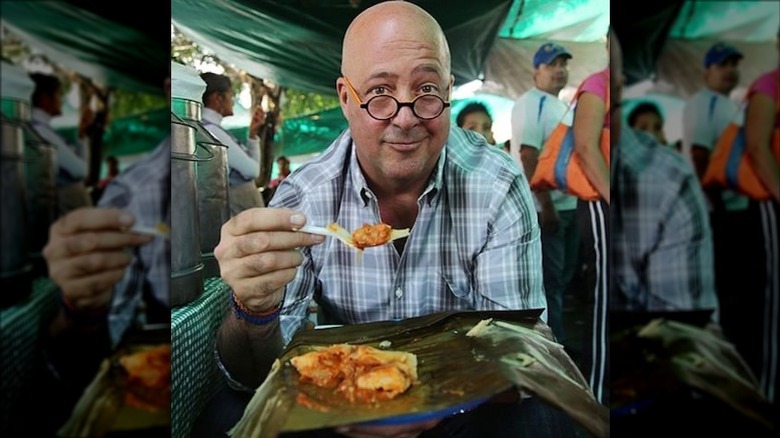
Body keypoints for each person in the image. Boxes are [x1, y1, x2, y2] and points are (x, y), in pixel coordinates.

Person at [207, 2, 569, 437]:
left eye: (427, 89)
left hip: (460, 401)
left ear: (449, 92)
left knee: (543, 418)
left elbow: (519, 350)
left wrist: (422, 401)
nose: (405, 115)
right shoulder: (303, 198)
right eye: (379, 92)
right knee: (228, 414)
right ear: (346, 97)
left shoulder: (496, 183)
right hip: (339, 399)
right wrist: (254, 310)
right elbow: (254, 374)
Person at [29, 78, 172, 435]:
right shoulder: (133, 193)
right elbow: (108, 339)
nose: (62, 100)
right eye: (59, 94)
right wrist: (84, 308)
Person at [681, 42, 767, 369]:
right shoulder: (704, 104)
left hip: (737, 210)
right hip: (720, 213)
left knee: (740, 285)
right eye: (723, 64)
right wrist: (717, 206)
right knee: (729, 287)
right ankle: (730, 356)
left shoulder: (728, 105)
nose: (730, 69)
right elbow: (701, 157)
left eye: (734, 63)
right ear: (708, 71)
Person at [512, 42, 580, 348]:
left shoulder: (560, 104)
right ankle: (554, 349)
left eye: (563, 64)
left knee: (562, 280)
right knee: (549, 281)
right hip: (547, 208)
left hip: (568, 205)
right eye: (552, 64)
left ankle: (558, 341)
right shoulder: (532, 103)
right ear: (536, 70)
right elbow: (529, 156)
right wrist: (546, 206)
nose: (559, 70)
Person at [570, 34, 611, 405]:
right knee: (605, 295)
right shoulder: (598, 84)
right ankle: (597, 396)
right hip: (601, 202)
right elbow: (585, 145)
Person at [741, 55, 779, 404]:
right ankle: (766, 392)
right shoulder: (769, 85)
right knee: (774, 297)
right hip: (771, 204)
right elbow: (757, 144)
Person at [200, 72, 266, 216]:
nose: (233, 101)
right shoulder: (211, 131)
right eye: (230, 95)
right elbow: (252, 170)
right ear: (218, 98)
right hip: (242, 206)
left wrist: (253, 134)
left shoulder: (208, 128)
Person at [29, 73, 92, 216]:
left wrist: (81, 133)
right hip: (68, 207)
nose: (61, 100)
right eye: (58, 95)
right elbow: (80, 171)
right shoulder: (41, 132)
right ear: (45, 100)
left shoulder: (38, 129)